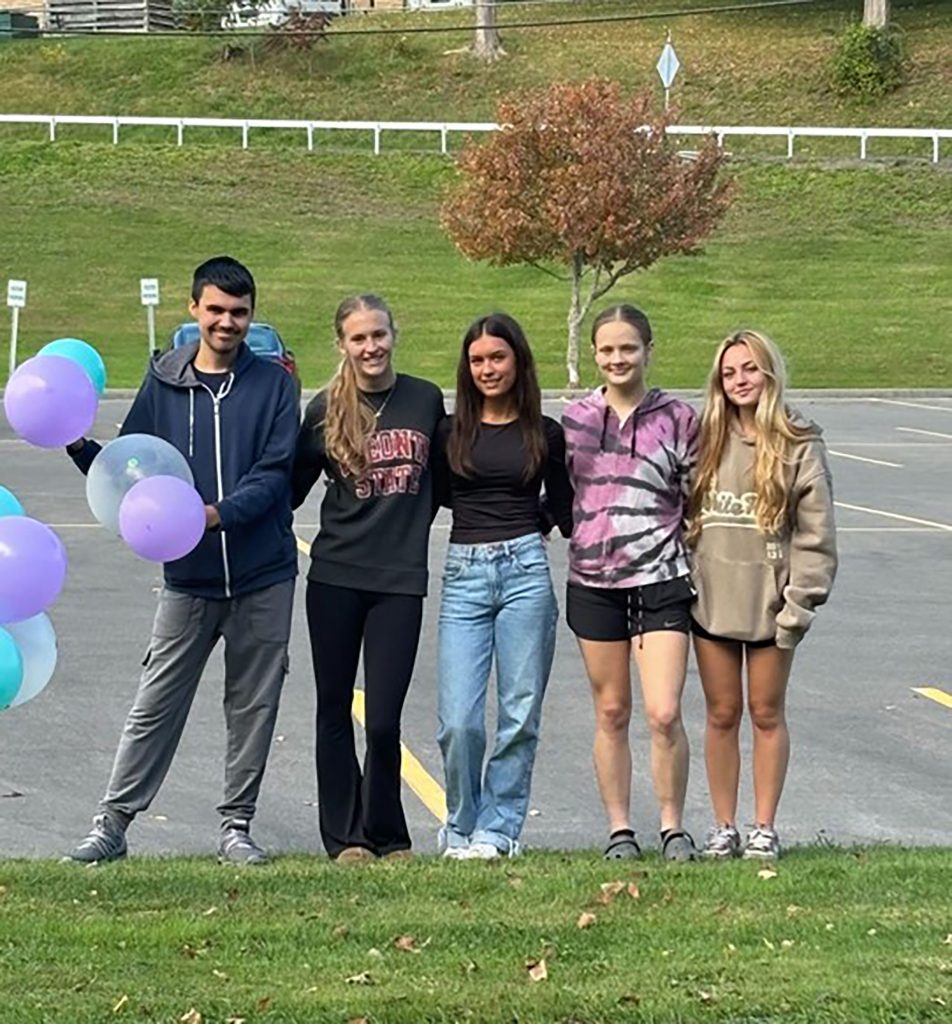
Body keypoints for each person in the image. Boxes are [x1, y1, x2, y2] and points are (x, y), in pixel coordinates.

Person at [65, 255, 300, 866]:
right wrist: (78, 444)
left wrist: (210, 516)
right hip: (188, 579)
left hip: (263, 574)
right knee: (156, 702)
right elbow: (129, 466)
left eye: (239, 313)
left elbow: (274, 475)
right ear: (193, 309)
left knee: (253, 705)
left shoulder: (275, 385)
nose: (227, 322)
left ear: (251, 315)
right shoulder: (164, 382)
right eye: (216, 310)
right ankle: (111, 824)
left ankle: (236, 827)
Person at [291, 294, 444, 863]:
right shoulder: (324, 409)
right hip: (335, 576)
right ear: (342, 345)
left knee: (383, 718)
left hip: (399, 580)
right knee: (333, 708)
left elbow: (448, 479)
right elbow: (288, 488)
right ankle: (346, 838)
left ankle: (388, 833)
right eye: (358, 338)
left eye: (378, 334)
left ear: (393, 334)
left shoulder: (425, 399)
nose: (370, 347)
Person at [687, 329, 837, 861]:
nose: (739, 381)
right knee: (721, 713)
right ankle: (723, 826)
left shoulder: (799, 442)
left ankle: (763, 828)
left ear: (769, 372)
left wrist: (798, 605)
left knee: (766, 712)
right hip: (711, 605)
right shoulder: (703, 437)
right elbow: (681, 517)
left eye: (749, 369)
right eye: (729, 373)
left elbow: (816, 538)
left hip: (773, 609)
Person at [562, 303, 699, 862]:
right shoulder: (575, 421)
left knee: (664, 711)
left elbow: (698, 499)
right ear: (594, 354)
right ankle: (620, 829)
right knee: (612, 711)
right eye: (608, 349)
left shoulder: (680, 418)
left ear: (648, 349)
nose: (618, 359)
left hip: (662, 578)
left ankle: (673, 827)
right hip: (593, 582)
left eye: (629, 348)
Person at [434, 313, 573, 861]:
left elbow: (564, 508)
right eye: (477, 360)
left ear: (518, 361)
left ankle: (500, 830)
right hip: (464, 574)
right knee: (460, 722)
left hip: (525, 576)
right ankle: (461, 825)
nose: (487, 368)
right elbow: (435, 495)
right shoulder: (449, 431)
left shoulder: (545, 432)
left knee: (518, 714)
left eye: (498, 357)